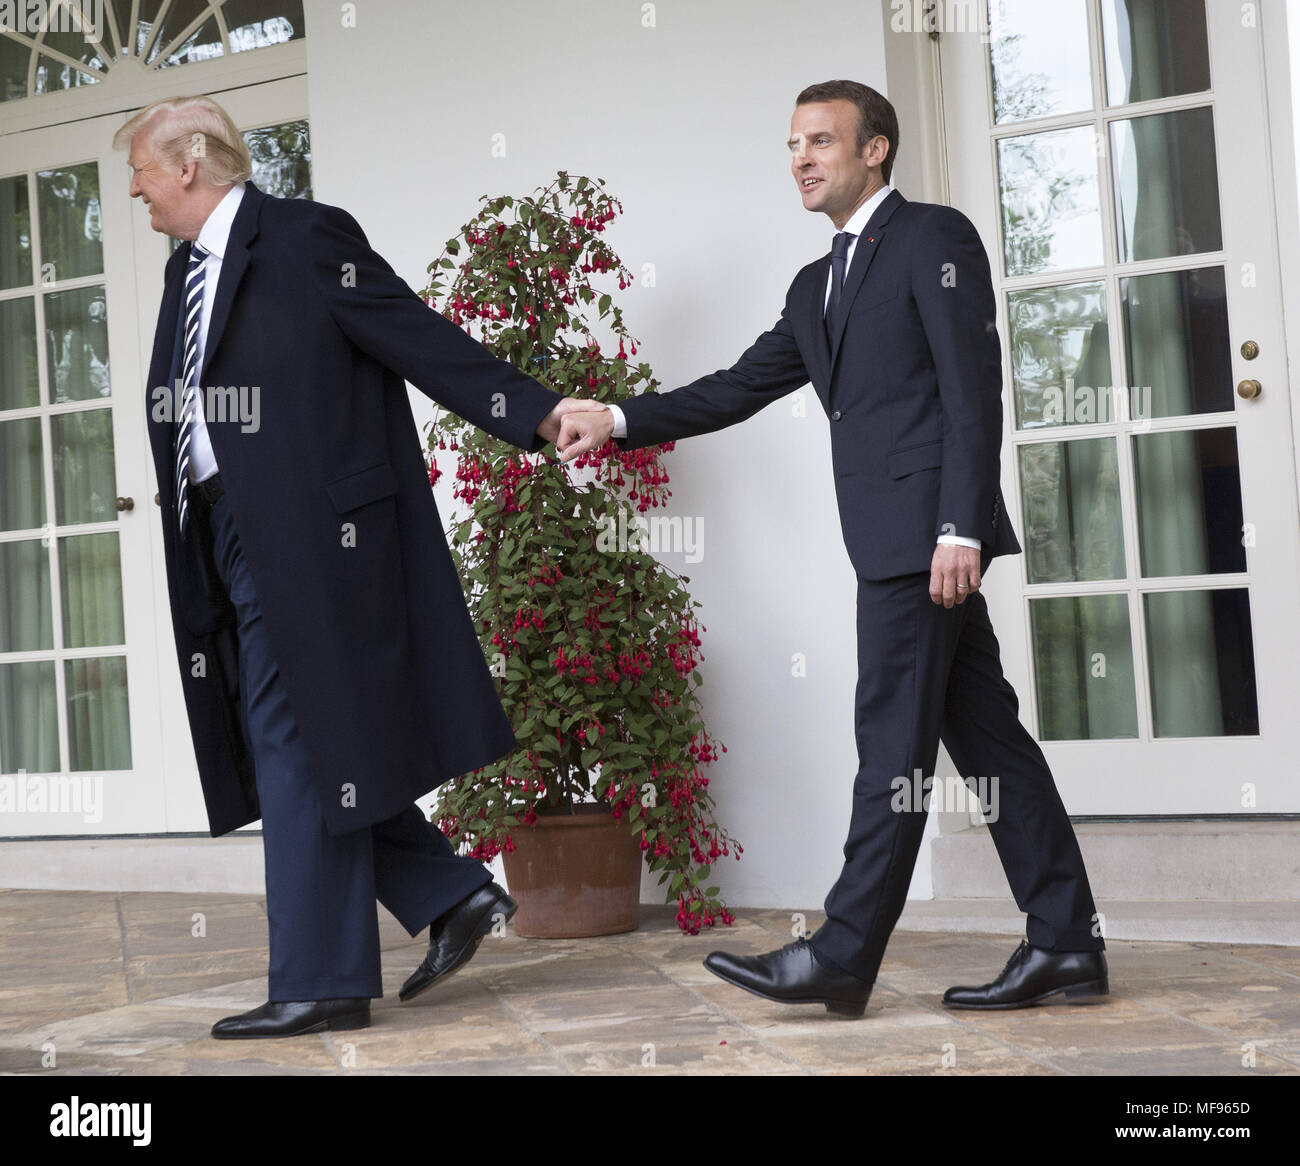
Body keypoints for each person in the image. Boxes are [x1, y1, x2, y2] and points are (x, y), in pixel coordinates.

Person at [556, 80, 1108, 1017]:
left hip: (925, 543)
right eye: (793, 144)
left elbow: (973, 391)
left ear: (875, 150)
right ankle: (1066, 943)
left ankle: (843, 954)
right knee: (990, 743)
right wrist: (614, 417)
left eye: (821, 141)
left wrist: (959, 525)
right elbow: (736, 388)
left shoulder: (934, 239)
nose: (803, 159)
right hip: (887, 545)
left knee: (889, 745)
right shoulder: (816, 287)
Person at [118, 94, 597, 1038]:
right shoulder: (185, 274)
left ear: (188, 164)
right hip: (222, 535)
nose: (131, 188)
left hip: (312, 538)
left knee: (294, 742)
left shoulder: (301, 237)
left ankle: (322, 980)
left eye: (139, 169)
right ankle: (450, 891)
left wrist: (535, 413)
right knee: (281, 743)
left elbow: (412, 332)